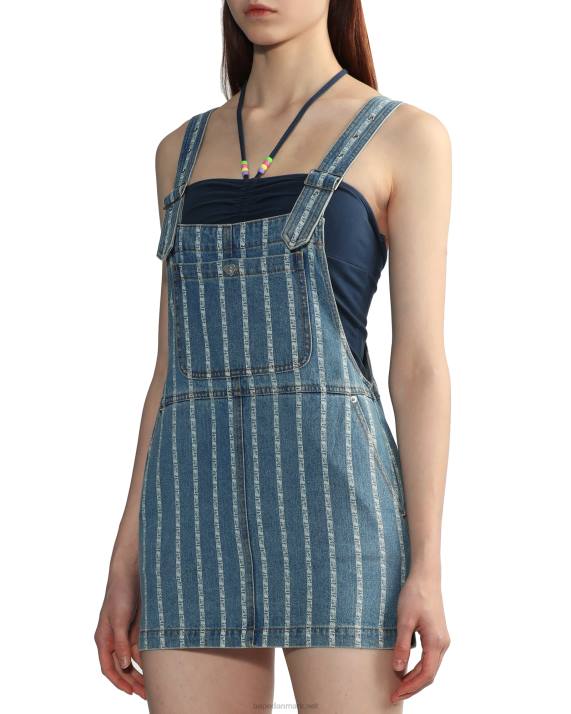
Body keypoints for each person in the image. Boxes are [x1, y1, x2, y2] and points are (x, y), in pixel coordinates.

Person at [94, 1, 452, 710]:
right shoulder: (178, 150)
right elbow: (169, 369)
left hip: (340, 511)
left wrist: (427, 566)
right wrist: (125, 556)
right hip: (188, 511)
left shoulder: (405, 135)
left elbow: (419, 366)